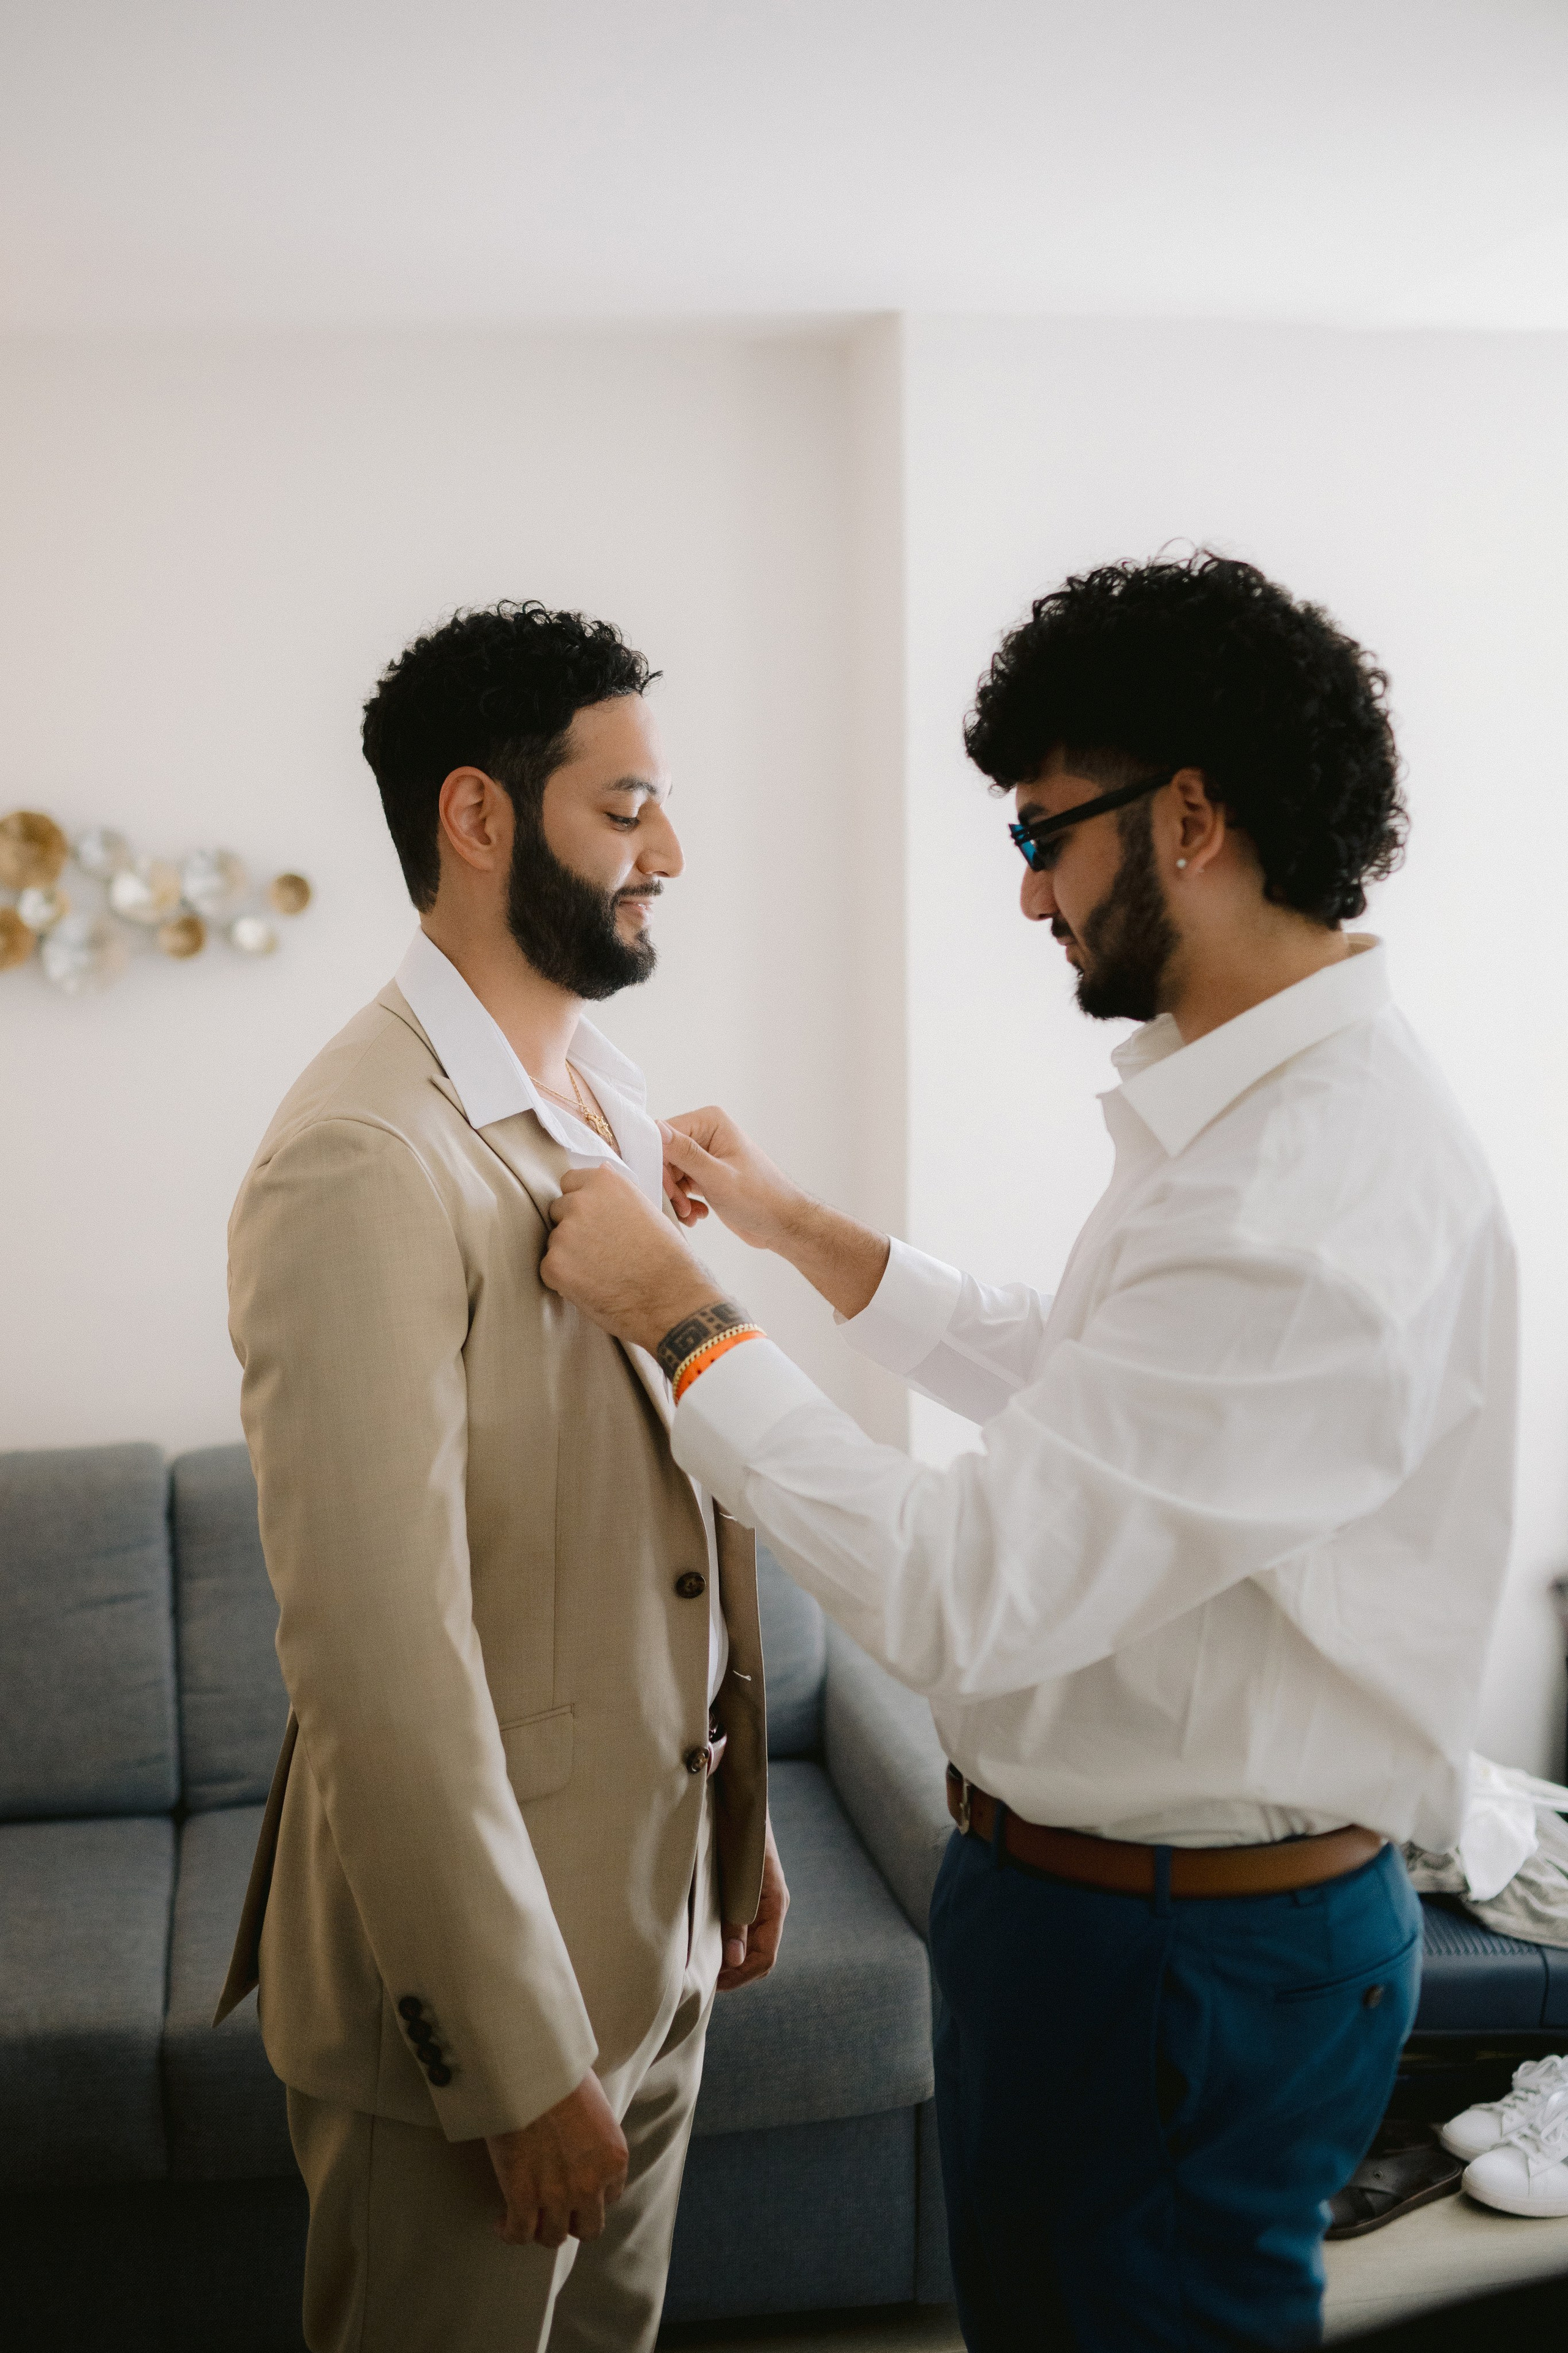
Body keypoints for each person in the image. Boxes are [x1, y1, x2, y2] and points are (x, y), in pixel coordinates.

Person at [537, 556, 1518, 2351]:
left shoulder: (1305, 1193)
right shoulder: (1254, 1124)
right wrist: (797, 1232)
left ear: (1192, 820)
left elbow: (961, 1589)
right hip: (1113, 1923)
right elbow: (1096, 1393)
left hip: (1180, 1958)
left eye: (1042, 832)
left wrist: (680, 1316)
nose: (1025, 891)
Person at [216, 601, 788, 2353]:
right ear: (477, 814)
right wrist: (513, 2051)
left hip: (659, 1928)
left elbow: (663, 1504)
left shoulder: (606, 1097)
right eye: (626, 810)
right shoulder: (359, 1154)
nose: (667, 856)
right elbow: (378, 1653)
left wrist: (737, 1825)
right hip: (491, 2010)